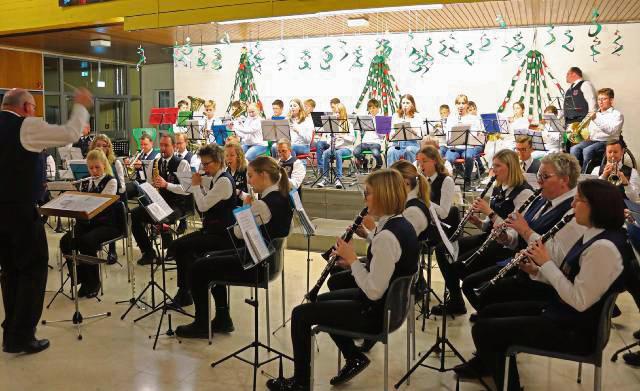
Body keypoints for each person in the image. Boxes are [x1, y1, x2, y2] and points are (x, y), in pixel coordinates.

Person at [455, 179, 628, 391]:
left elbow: (579, 301)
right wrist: (537, 271)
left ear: (597, 206)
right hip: (564, 312)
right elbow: (570, 277)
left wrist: (545, 263)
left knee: (484, 330)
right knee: (489, 311)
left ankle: (510, 387)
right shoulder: (595, 234)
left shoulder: (604, 247)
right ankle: (495, 367)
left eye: (578, 200)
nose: (573, 205)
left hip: (576, 330)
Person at [265, 169, 418, 391]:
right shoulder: (400, 225)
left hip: (376, 312)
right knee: (323, 300)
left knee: (300, 314)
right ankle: (353, 356)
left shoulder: (387, 237)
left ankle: (300, 383)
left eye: (368, 193)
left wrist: (353, 259)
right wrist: (355, 261)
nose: (365, 198)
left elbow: (373, 291)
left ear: (384, 196)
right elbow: (387, 268)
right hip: (389, 306)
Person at [0, 87, 92, 354]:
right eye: (34, 108)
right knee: (33, 270)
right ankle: (22, 336)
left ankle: (11, 332)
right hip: (21, 211)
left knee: (11, 271)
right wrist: (81, 105)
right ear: (27, 108)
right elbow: (70, 134)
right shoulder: (26, 126)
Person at [175, 156, 293, 337]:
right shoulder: (284, 197)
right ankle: (222, 319)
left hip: (257, 263)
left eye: (251, 176)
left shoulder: (263, 204)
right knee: (210, 258)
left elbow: (238, 232)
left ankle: (201, 324)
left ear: (263, 175)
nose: (249, 182)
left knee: (199, 267)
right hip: (269, 259)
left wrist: (246, 208)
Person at [462, 152, 583, 313]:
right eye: (539, 175)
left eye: (545, 176)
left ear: (565, 180)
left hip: (542, 279)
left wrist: (525, 230)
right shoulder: (541, 199)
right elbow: (514, 238)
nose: (539, 181)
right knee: (471, 285)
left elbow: (556, 256)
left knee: (484, 301)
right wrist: (505, 237)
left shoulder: (572, 212)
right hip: (520, 265)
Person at [432, 149, 534, 316]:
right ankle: (457, 300)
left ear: (511, 167)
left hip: (505, 245)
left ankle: (479, 306)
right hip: (489, 237)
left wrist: (489, 212)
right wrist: (479, 222)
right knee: (442, 250)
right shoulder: (500, 187)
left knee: (458, 268)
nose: (493, 170)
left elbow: (512, 231)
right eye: (493, 165)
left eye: (497, 166)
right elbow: (488, 226)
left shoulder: (523, 193)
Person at [168, 145, 237, 307]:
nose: (204, 168)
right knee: (180, 247)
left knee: (182, 247)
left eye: (206, 164)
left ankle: (186, 292)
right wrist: (196, 182)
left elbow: (203, 206)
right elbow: (206, 186)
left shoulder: (224, 181)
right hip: (212, 230)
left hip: (222, 235)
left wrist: (196, 186)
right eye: (202, 164)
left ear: (219, 162)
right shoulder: (216, 178)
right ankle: (185, 291)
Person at [60, 149, 119, 298]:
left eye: (97, 167)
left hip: (107, 224)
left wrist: (82, 197)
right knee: (65, 241)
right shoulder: (86, 181)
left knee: (87, 242)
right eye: (91, 168)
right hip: (87, 224)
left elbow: (99, 204)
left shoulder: (111, 181)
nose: (94, 171)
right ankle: (81, 278)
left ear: (104, 166)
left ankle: (93, 282)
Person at [130, 133, 192, 265]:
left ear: (174, 146)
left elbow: (187, 190)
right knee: (134, 215)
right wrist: (151, 187)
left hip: (177, 205)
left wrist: (166, 185)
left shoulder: (182, 163)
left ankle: (171, 249)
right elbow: (149, 183)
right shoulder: (155, 162)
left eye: (166, 145)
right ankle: (148, 253)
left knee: (162, 218)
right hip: (159, 203)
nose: (163, 149)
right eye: (161, 145)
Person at [90, 134, 127, 263]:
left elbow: (122, 187)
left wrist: (109, 189)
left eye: (104, 146)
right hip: (94, 201)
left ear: (108, 148)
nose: (101, 148)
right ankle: (89, 248)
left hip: (112, 202)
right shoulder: (91, 162)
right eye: (98, 145)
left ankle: (112, 249)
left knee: (110, 213)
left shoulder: (115, 162)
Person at [570, 88, 624, 172]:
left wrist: (595, 119)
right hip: (593, 141)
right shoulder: (596, 113)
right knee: (574, 149)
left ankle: (585, 176)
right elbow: (591, 131)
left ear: (611, 100)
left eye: (604, 99)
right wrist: (583, 134)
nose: (600, 102)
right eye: (599, 99)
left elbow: (612, 131)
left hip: (608, 142)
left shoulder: (617, 115)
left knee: (588, 151)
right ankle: (574, 174)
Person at [443, 94, 485, 185]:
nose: (461, 105)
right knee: (448, 158)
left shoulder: (473, 119)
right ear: (456, 105)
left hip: (468, 147)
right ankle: (448, 182)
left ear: (467, 105)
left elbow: (475, 135)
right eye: (458, 103)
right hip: (455, 147)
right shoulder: (451, 118)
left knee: (469, 156)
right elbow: (448, 136)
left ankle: (467, 180)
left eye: (463, 103)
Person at [317, 103, 355, 189]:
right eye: (335, 112)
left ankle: (339, 178)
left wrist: (342, 136)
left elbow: (352, 139)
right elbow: (327, 139)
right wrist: (331, 138)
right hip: (334, 147)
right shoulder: (332, 123)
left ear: (343, 112)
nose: (337, 115)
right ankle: (325, 177)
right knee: (326, 153)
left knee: (338, 153)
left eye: (339, 112)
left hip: (346, 148)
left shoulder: (348, 124)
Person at [415, 146, 455, 220]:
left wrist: (424, 200)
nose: (421, 165)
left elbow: (443, 214)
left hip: (440, 225)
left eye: (424, 161)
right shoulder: (422, 180)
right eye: (419, 162)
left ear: (435, 161)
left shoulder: (447, 181)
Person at [387, 94, 423, 166]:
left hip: (412, 144)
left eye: (407, 103)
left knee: (409, 150)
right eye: (403, 103)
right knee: (391, 151)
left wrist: (412, 131)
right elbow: (391, 135)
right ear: (401, 104)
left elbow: (421, 136)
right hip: (398, 144)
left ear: (412, 104)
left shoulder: (417, 116)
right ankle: (392, 174)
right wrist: (394, 134)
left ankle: (411, 173)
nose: (405, 105)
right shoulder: (395, 116)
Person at [353, 98, 384, 171]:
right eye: (370, 108)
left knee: (375, 153)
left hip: (375, 143)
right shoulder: (366, 118)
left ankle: (379, 164)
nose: (372, 110)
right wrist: (362, 126)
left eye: (374, 108)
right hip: (365, 142)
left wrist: (376, 128)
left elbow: (382, 135)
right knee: (355, 152)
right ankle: (364, 160)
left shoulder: (381, 119)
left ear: (378, 108)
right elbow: (361, 130)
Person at [125, 133, 158, 199]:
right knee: (122, 190)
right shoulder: (140, 155)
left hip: (149, 185)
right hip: (138, 183)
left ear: (151, 143)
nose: (143, 147)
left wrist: (141, 167)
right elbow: (132, 175)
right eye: (141, 145)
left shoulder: (157, 155)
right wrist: (129, 165)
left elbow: (154, 175)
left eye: (145, 144)